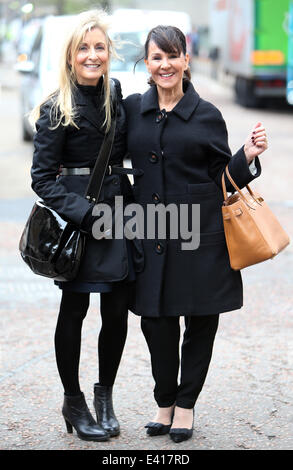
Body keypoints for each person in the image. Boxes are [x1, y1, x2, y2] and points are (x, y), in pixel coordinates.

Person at [123, 25, 268, 443]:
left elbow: (221, 178)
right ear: (147, 64)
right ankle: (163, 401)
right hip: (151, 234)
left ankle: (185, 406)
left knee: (200, 323)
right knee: (156, 323)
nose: (165, 65)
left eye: (173, 56)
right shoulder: (134, 109)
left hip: (201, 237)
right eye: (157, 57)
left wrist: (247, 157)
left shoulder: (207, 115)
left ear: (187, 60)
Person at [30, 10, 143, 442]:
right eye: (84, 48)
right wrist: (84, 212)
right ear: (71, 56)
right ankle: (72, 401)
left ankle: (105, 396)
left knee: (116, 311)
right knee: (74, 311)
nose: (92, 55)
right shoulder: (56, 106)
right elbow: (41, 180)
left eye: (99, 47)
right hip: (81, 223)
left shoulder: (114, 92)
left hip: (119, 215)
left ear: (108, 53)